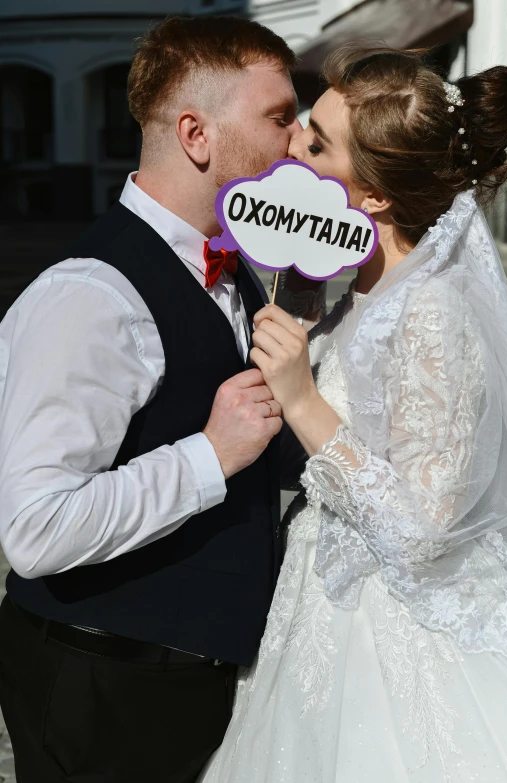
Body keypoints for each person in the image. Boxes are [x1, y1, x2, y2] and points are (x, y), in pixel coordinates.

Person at [198, 47, 507, 782]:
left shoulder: (434, 308)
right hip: (319, 599)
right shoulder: (367, 284)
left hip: (388, 640)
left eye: (316, 142)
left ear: (371, 196)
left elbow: (423, 526)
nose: (290, 148)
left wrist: (302, 397)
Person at [0, 15, 304, 783]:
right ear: (197, 133)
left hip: (187, 682)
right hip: (103, 685)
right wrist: (209, 455)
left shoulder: (238, 270)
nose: (298, 140)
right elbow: (32, 529)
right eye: (278, 117)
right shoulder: (88, 297)